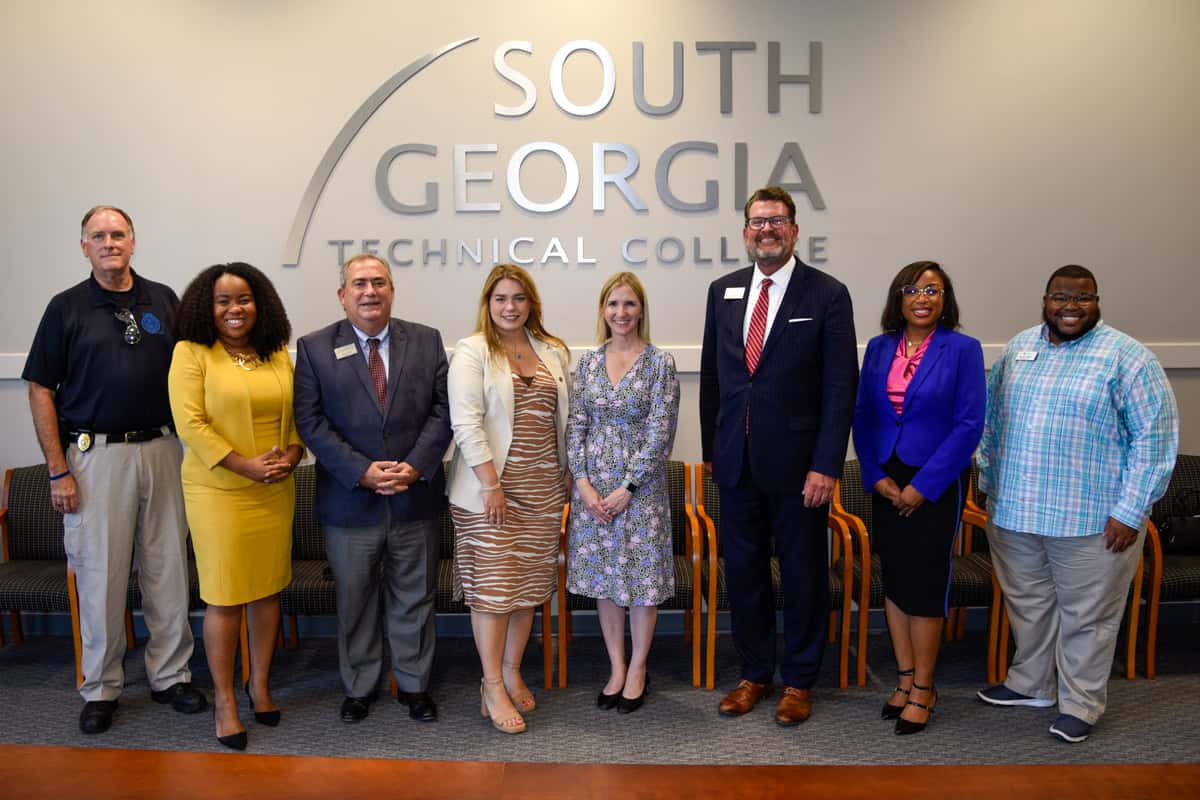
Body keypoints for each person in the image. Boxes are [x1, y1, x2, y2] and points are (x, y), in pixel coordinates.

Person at [22, 206, 206, 735]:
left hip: (165, 451)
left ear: (133, 241)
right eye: (98, 236)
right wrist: (58, 471)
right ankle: (101, 687)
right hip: (96, 456)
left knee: (167, 569)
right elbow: (40, 389)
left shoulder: (164, 300)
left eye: (118, 233)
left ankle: (171, 676)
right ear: (84, 247)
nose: (109, 242)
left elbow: (194, 369)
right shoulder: (66, 308)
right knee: (100, 575)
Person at [976, 264, 1178, 743]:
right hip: (1017, 512)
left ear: (1097, 301)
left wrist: (1129, 512)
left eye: (1082, 298)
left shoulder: (1128, 358)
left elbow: (1154, 441)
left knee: (1088, 617)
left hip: (1093, 520)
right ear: (1044, 299)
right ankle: (1031, 684)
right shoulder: (1020, 348)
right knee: (1030, 605)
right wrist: (988, 479)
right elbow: (993, 420)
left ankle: (1081, 705)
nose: (1070, 307)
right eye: (1060, 297)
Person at [699, 186, 858, 726]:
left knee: (803, 574)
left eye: (777, 221)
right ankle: (754, 674)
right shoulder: (723, 291)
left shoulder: (827, 294)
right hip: (736, 464)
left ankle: (799, 680)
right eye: (757, 222)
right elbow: (715, 383)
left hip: (799, 470)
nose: (766, 230)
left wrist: (827, 465)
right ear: (745, 232)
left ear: (794, 230)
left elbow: (840, 388)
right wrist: (711, 454)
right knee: (742, 573)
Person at [293, 254, 452, 725]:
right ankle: (360, 686)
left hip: (413, 495)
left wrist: (414, 466)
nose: (369, 291)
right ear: (343, 295)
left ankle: (413, 685)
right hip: (349, 500)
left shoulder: (425, 341)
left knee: (414, 597)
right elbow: (310, 421)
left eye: (378, 282)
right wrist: (361, 471)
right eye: (359, 283)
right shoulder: (315, 347)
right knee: (356, 599)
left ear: (392, 290)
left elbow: (444, 412)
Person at [168, 262, 303, 750]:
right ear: (207, 307)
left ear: (259, 303)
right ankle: (224, 700)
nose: (234, 309)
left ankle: (259, 685)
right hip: (219, 490)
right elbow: (191, 424)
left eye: (243, 298)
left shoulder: (276, 355)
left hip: (274, 486)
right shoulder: (191, 353)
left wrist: (291, 453)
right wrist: (245, 466)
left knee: (267, 591)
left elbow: (295, 416)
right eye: (223, 301)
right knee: (224, 597)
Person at [852, 261, 986, 735]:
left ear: (945, 298)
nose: (922, 298)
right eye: (913, 289)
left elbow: (969, 425)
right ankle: (904, 679)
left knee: (925, 585)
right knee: (896, 581)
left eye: (933, 289)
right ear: (899, 298)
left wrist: (923, 487)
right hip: (886, 478)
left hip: (935, 483)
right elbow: (864, 417)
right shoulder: (880, 348)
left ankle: (925, 689)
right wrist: (874, 475)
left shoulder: (962, 350)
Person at [446, 264, 571, 734]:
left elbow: (566, 420)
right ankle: (491, 684)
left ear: (531, 303)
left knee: (527, 590)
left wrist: (567, 475)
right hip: (489, 492)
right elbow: (466, 423)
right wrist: (491, 485)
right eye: (501, 298)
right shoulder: (472, 351)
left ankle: (513, 669)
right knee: (494, 593)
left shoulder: (552, 351)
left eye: (518, 298)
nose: (510, 306)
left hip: (542, 490)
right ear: (488, 303)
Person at [566, 272, 680, 714]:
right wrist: (583, 484)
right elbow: (576, 426)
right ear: (602, 310)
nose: (621, 313)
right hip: (591, 497)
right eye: (613, 304)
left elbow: (660, 433)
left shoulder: (659, 364)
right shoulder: (589, 364)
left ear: (641, 310)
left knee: (640, 584)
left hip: (640, 494)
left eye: (629, 304)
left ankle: (638, 668)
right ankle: (615, 665)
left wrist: (627, 488)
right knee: (605, 583)